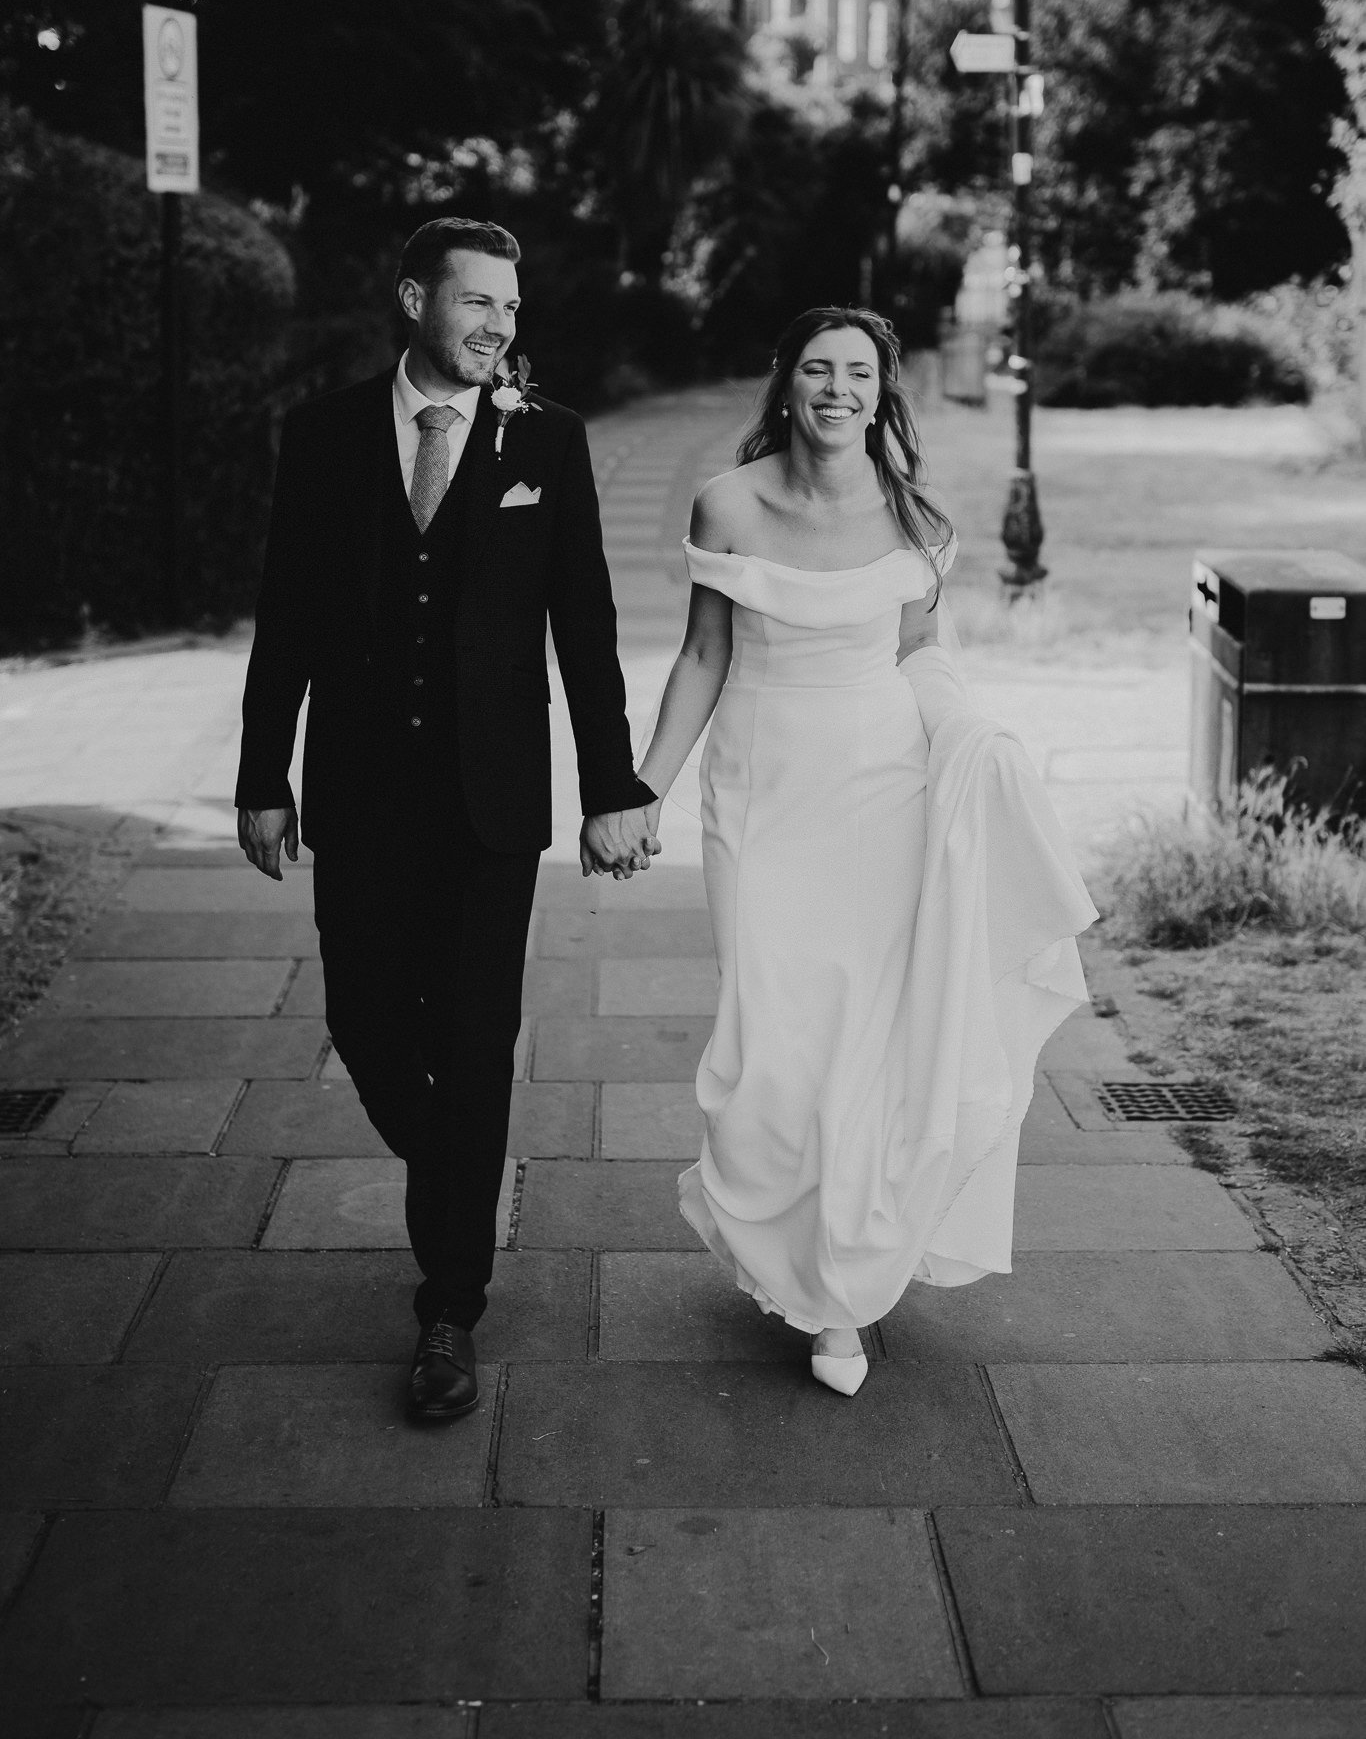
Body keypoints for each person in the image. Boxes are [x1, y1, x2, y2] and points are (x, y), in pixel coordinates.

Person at [235, 216, 658, 1423]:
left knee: (474, 1041)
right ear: (414, 296)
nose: (497, 327)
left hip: (490, 804)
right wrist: (264, 772)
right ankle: (461, 1169)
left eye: (510, 311)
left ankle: (449, 1304)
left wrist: (612, 785)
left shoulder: (549, 442)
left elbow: (585, 626)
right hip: (360, 793)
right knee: (364, 1019)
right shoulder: (321, 436)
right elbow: (286, 617)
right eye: (477, 303)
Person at [637, 306, 1096, 1395]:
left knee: (863, 1039)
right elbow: (703, 654)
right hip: (758, 792)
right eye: (816, 368)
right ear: (784, 383)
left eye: (858, 372)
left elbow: (919, 652)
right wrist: (640, 787)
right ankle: (785, 1236)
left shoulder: (911, 514)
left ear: (882, 393)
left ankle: (838, 1295)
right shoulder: (729, 502)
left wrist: (972, 736)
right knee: (772, 1042)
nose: (836, 387)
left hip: (881, 794)